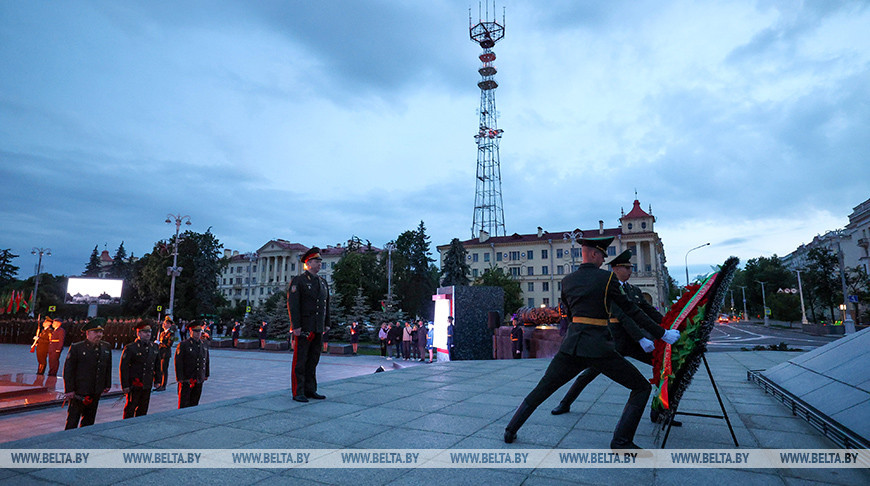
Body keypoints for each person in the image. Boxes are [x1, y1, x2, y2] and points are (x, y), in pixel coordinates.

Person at [503, 237, 680, 451]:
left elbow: (567, 311)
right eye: (602, 255)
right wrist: (662, 333)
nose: (604, 259)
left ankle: (511, 429)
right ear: (594, 254)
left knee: (543, 388)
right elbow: (630, 310)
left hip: (571, 347)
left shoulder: (567, 280)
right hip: (599, 348)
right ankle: (621, 441)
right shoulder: (606, 279)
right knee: (641, 387)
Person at [551, 249, 682, 426]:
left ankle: (658, 411)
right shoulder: (605, 286)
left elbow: (648, 311)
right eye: (627, 268)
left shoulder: (634, 290)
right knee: (588, 374)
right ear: (616, 269)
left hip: (633, 342)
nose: (630, 271)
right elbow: (622, 315)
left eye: (631, 268)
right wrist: (641, 338)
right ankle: (565, 403)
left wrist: (669, 324)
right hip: (614, 341)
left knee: (663, 367)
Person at [287, 247, 330, 403]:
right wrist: (295, 326)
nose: (319, 265)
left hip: (317, 327)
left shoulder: (323, 282)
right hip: (304, 328)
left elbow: (326, 305)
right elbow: (293, 305)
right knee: (301, 360)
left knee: (313, 360)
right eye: (317, 262)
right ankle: (298, 391)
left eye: (320, 262)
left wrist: (327, 323)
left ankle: (310, 390)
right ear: (308, 263)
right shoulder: (299, 281)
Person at [63, 320, 112, 429]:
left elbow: (107, 367)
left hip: (96, 390)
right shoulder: (77, 347)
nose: (99, 335)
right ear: (87, 333)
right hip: (79, 391)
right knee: (73, 420)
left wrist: (107, 384)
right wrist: (69, 389)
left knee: (89, 420)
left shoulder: (106, 347)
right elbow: (69, 370)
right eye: (95, 332)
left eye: (100, 332)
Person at [119, 323, 160, 418]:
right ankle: (127, 426)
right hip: (134, 383)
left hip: (147, 382)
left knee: (143, 407)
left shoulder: (154, 347)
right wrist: (125, 385)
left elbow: (157, 365)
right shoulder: (131, 348)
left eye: (149, 332)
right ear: (139, 333)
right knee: (130, 408)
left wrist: (157, 380)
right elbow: (124, 368)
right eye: (145, 332)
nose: (148, 334)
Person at [175, 322, 209, 408]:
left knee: (195, 402)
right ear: (190, 331)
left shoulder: (203, 344)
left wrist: (206, 374)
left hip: (198, 378)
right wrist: (180, 378)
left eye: (199, 331)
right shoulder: (184, 345)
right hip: (187, 379)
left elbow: (206, 360)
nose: (198, 333)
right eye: (195, 331)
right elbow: (178, 362)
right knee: (184, 403)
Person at [154, 316, 176, 391]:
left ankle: (163, 385)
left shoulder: (171, 333)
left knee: (164, 370)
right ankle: (159, 384)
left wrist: (159, 343)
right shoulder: (162, 333)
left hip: (165, 354)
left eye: (166, 323)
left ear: (170, 325)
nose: (164, 325)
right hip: (160, 353)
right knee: (159, 369)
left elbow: (169, 345)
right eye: (164, 323)